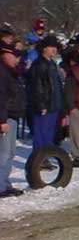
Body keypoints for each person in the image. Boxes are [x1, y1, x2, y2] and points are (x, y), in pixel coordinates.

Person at [26, 34, 63, 152]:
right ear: (44, 48)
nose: (54, 49)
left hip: (53, 104)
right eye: (51, 47)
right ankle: (39, 160)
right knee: (41, 135)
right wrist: (40, 104)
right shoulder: (39, 64)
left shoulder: (52, 64)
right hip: (44, 105)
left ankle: (45, 157)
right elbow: (36, 87)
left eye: (55, 47)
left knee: (49, 134)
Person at [0, 41, 26, 197]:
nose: (16, 59)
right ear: (4, 55)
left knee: (10, 152)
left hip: (13, 115)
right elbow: (1, 98)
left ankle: (4, 182)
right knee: (4, 153)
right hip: (6, 116)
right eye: (13, 55)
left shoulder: (10, 71)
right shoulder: (2, 72)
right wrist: (2, 120)